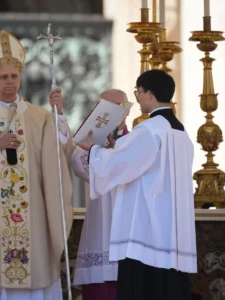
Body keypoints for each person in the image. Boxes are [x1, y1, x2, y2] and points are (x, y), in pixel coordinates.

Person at [0, 30, 73, 299]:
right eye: (4, 77)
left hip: (33, 219)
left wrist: (60, 115)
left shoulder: (39, 116)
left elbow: (60, 154)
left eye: (14, 76)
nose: (10, 82)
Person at [76, 70, 197, 299]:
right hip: (172, 230)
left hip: (147, 232)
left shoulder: (149, 130)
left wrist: (95, 149)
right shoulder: (182, 133)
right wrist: (114, 148)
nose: (138, 98)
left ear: (149, 93)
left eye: (138, 92)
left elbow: (121, 164)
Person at [70, 89, 131, 300]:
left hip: (129, 228)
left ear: (127, 111)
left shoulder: (136, 141)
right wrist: (96, 148)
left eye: (118, 106)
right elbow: (80, 167)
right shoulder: (87, 144)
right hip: (100, 227)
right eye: (106, 106)